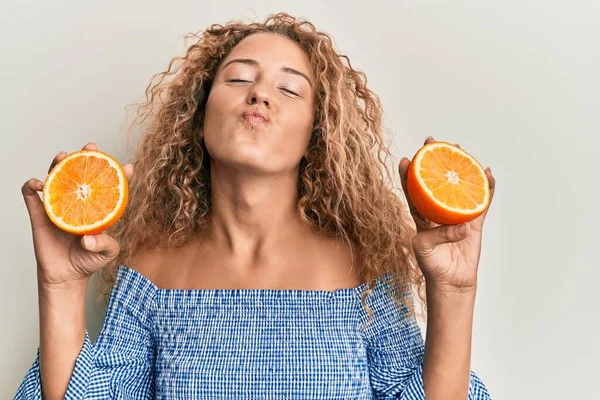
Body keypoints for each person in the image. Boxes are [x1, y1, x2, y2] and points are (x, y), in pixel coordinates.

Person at [16, 12, 495, 400]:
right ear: (198, 118)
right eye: (238, 78)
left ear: (316, 134)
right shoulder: (150, 273)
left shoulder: (363, 271)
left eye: (289, 89)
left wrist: (454, 294)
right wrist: (59, 285)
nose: (260, 93)